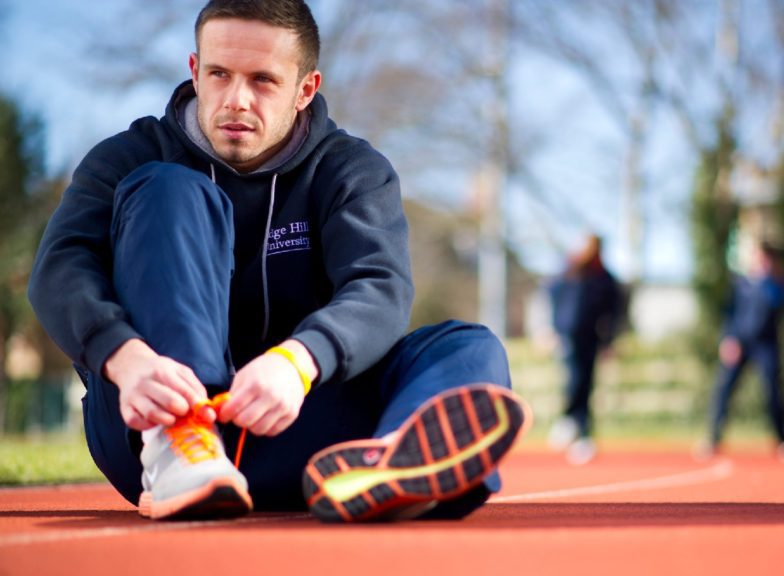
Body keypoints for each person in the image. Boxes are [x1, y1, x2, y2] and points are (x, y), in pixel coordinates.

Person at [28, 0, 529, 523]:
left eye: (263, 80)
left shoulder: (352, 171)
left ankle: (388, 466)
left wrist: (297, 362)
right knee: (166, 187)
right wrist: (126, 361)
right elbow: (60, 268)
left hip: (291, 418)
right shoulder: (127, 157)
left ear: (305, 90)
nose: (237, 100)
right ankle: (181, 446)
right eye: (220, 74)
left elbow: (379, 287)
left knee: (468, 346)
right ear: (196, 72)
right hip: (148, 417)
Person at [696, 241, 784, 462]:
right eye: (757, 256)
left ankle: (783, 440)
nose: (759, 260)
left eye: (764, 257)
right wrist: (729, 339)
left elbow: (778, 304)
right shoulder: (740, 283)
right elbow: (730, 313)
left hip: (766, 345)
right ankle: (713, 439)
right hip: (739, 344)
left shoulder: (777, 282)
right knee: (723, 390)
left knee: (773, 391)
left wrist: (767, 279)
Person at [546, 234, 622, 465]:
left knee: (586, 383)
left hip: (591, 338)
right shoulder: (570, 271)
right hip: (568, 335)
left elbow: (613, 313)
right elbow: (552, 298)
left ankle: (581, 432)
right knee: (574, 379)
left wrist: (609, 342)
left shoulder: (605, 279)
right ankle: (569, 420)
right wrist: (552, 329)